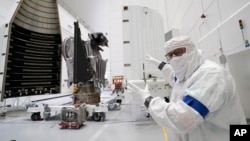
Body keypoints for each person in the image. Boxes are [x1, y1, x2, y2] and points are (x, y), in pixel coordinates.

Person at [126, 36, 246, 141]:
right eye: (170, 55)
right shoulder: (187, 74)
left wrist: (147, 100)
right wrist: (157, 63)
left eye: (178, 52)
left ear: (191, 50)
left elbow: (183, 119)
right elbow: (173, 76)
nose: (174, 58)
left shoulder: (211, 75)